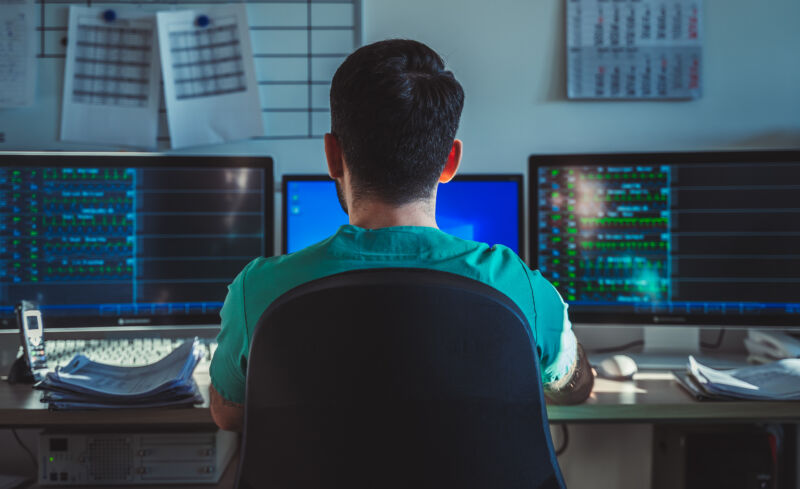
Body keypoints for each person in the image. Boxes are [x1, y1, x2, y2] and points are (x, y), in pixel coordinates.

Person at [209, 39, 593, 432]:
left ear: (332, 156)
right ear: (450, 161)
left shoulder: (258, 292)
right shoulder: (521, 290)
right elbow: (573, 388)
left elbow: (229, 414)